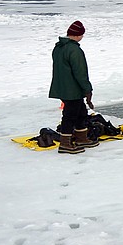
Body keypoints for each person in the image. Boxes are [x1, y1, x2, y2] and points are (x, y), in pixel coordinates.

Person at [49, 20, 97, 155]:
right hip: (72, 89)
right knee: (69, 116)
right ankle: (65, 144)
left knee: (81, 112)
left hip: (63, 87)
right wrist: (87, 89)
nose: (82, 37)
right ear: (77, 35)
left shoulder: (58, 47)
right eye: (82, 35)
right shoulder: (74, 49)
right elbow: (80, 72)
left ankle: (82, 138)